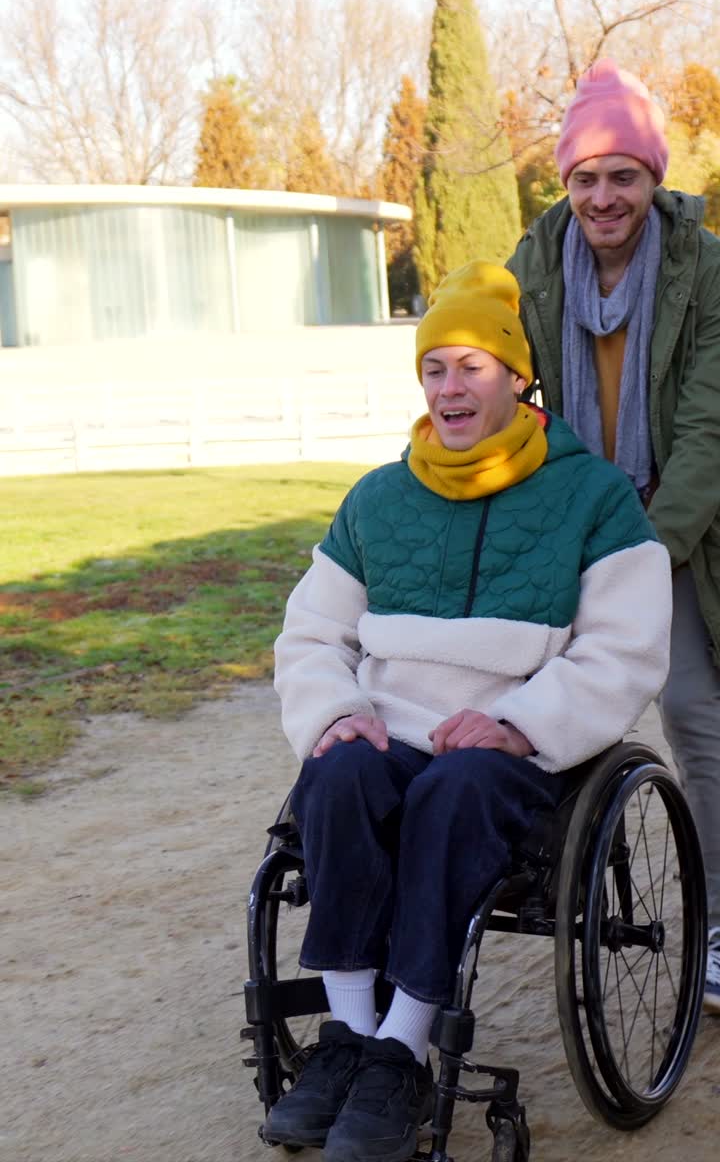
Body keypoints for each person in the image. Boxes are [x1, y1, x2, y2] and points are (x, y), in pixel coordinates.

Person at [268, 260, 671, 1162]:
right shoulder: (378, 497)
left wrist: (523, 722)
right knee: (333, 777)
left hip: (515, 748)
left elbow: (626, 647)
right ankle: (351, 1038)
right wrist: (335, 708)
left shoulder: (593, 498)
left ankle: (403, 1049)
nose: (449, 388)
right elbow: (311, 634)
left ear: (517, 377)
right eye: (434, 368)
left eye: (472, 367)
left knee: (454, 794)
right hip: (390, 732)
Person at [507, 57, 720, 1016]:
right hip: (573, 513)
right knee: (527, 688)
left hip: (677, 520)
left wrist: (644, 546)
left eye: (623, 176)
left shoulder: (703, 265)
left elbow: (708, 427)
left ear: (653, 178)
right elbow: (509, 389)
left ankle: (719, 921)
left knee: (691, 709)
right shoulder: (532, 261)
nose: (603, 196)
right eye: (585, 177)